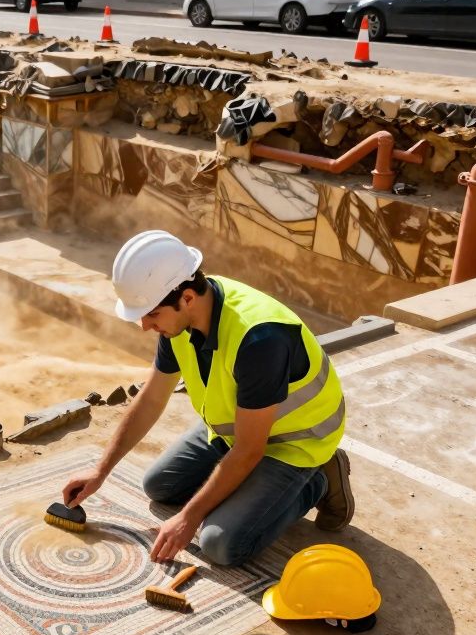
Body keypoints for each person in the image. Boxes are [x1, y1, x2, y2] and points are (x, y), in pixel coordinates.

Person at [62, 230, 354, 567]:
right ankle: (252, 490)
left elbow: (249, 450)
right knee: (159, 485)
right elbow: (152, 399)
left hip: (296, 440)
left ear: (186, 297)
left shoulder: (260, 338)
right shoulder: (180, 315)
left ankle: (319, 478)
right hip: (238, 428)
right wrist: (100, 471)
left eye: (151, 315)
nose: (144, 326)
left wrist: (188, 518)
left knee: (220, 544)